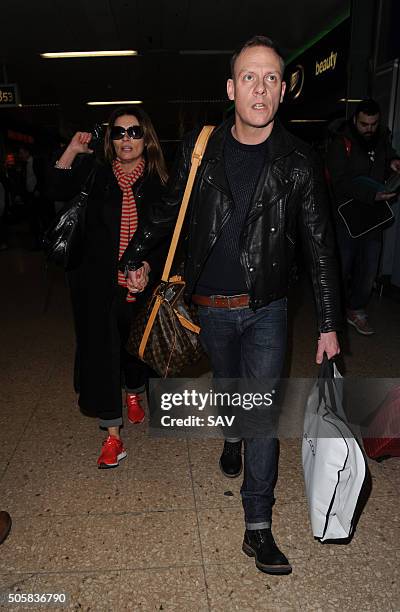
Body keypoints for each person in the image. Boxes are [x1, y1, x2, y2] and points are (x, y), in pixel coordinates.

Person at [121, 35, 341, 575]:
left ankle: (258, 526)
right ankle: (231, 434)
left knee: (261, 411)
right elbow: (168, 212)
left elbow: (319, 244)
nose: (260, 88)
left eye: (270, 78)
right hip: (209, 307)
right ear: (230, 87)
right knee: (228, 391)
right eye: (249, 77)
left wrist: (330, 323)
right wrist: (133, 254)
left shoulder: (298, 162)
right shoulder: (201, 147)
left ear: (284, 90)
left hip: (267, 306)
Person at [48, 106, 168, 468]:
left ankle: (134, 392)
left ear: (146, 138)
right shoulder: (96, 175)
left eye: (134, 132)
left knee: (134, 351)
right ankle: (112, 436)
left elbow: (170, 236)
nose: (126, 139)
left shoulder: (160, 181)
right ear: (110, 140)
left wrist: (148, 266)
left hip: (142, 285)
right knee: (104, 354)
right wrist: (72, 150)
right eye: (118, 133)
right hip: (98, 285)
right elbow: (55, 187)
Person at [326, 98, 400, 335]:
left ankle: (355, 309)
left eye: (374, 124)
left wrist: (393, 163)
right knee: (342, 265)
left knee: (369, 269)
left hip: (373, 217)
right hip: (348, 216)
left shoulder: (381, 140)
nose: (369, 128)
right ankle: (332, 316)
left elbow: (387, 158)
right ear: (355, 120)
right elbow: (339, 183)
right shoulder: (341, 142)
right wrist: (372, 193)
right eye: (364, 124)